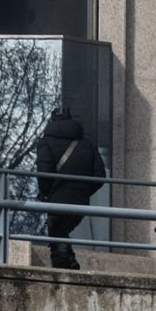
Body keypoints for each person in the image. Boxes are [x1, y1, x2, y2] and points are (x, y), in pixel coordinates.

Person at [35, 107, 107, 270]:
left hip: (56, 201)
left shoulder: (46, 142)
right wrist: (83, 191)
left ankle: (64, 273)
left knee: (57, 239)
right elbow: (100, 176)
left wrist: (46, 194)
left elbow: (44, 173)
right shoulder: (87, 144)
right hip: (80, 203)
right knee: (61, 234)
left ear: (52, 121)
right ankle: (71, 262)